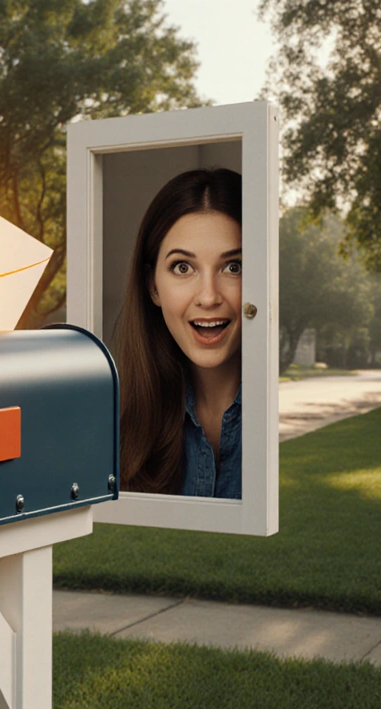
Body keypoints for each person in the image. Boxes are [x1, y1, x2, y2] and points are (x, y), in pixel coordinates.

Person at [113, 168, 242, 498]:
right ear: (152, 287)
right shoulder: (115, 434)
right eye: (183, 267)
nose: (209, 297)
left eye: (234, 267)